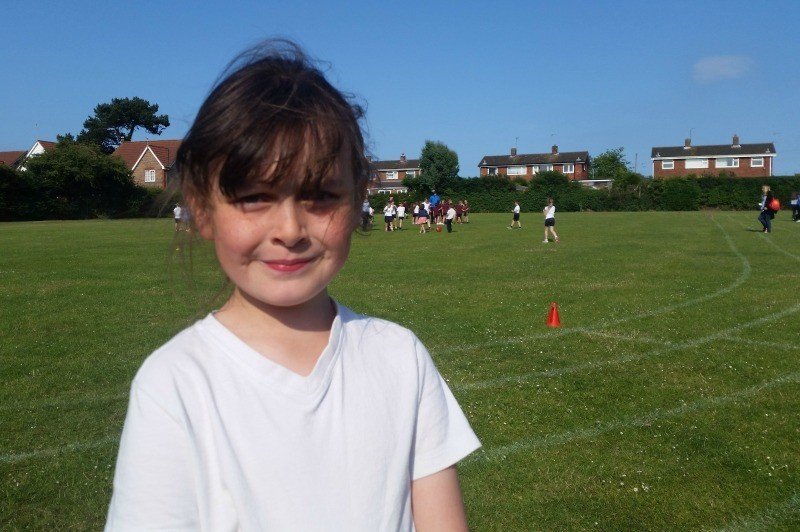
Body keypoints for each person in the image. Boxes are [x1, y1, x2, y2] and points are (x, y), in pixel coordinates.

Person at [105, 41, 480, 531]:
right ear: (201, 208)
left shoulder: (400, 357)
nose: (289, 228)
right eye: (254, 196)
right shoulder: (174, 385)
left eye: (321, 195)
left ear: (358, 200)